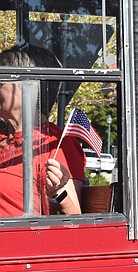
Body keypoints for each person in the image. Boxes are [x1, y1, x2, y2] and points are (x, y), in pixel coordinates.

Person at [0, 45, 84, 216]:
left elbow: (74, 220)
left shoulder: (55, 144)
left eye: (2, 80)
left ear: (26, 87)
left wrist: (58, 193)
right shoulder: (3, 136)